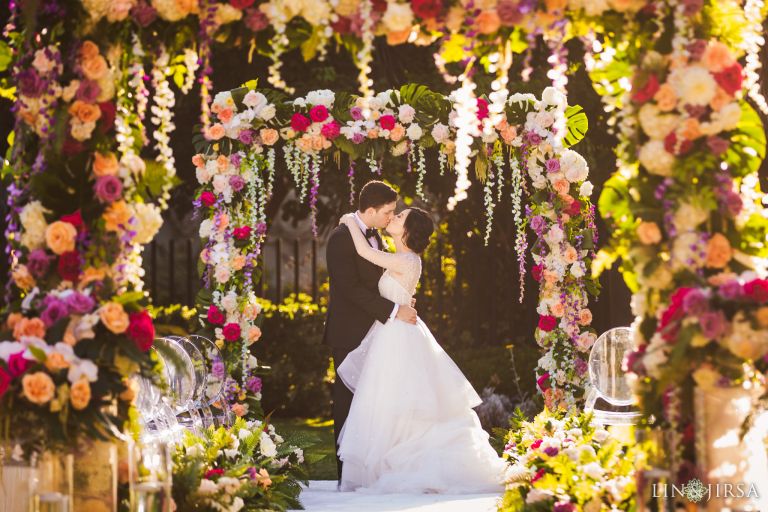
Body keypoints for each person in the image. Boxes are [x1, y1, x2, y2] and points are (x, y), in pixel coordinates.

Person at [335, 206, 508, 493]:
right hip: (393, 333)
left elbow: (366, 253)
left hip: (399, 338)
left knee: (403, 400)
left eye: (400, 217)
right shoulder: (402, 258)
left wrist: (350, 222)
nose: (394, 217)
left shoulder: (407, 260)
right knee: (390, 399)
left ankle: (409, 464)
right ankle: (389, 462)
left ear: (408, 230)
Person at [322, 181, 418, 482]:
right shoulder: (341, 238)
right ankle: (347, 476)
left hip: (377, 335)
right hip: (349, 333)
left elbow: (379, 280)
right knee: (348, 405)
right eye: (388, 212)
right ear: (372, 210)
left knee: (376, 404)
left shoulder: (375, 237)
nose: (392, 216)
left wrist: (399, 300)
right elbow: (350, 289)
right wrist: (393, 310)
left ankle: (373, 472)